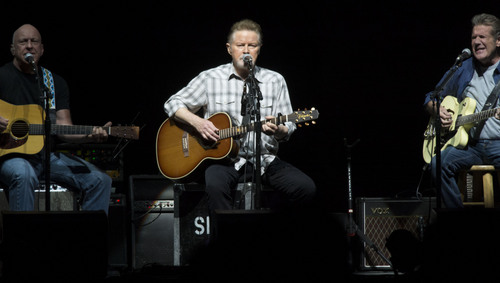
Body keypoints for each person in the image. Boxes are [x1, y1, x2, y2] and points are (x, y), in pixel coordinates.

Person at [164, 19, 316, 212]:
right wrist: (198, 123)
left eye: (251, 45)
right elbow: (172, 103)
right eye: (240, 45)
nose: (246, 50)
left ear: (259, 48)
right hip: (225, 162)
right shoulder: (210, 78)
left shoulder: (275, 80)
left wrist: (279, 129)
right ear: (229, 49)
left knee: (305, 188)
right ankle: (229, 236)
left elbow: (288, 127)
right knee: (214, 185)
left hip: (264, 160)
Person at [0, 24, 112, 214]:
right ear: (12, 48)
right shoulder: (1, 76)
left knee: (100, 180)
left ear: (41, 49)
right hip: (10, 156)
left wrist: (90, 136)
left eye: (34, 41)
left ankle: (90, 242)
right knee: (23, 174)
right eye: (23, 41)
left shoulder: (53, 83)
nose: (29, 46)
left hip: (46, 156)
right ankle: (20, 241)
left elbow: (63, 126)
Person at [424, 13, 500, 208]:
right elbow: (431, 98)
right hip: (470, 146)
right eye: (474, 37)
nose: (476, 42)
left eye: (482, 37)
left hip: (498, 145)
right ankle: (458, 222)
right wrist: (437, 110)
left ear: (498, 41)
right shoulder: (463, 68)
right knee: (437, 165)